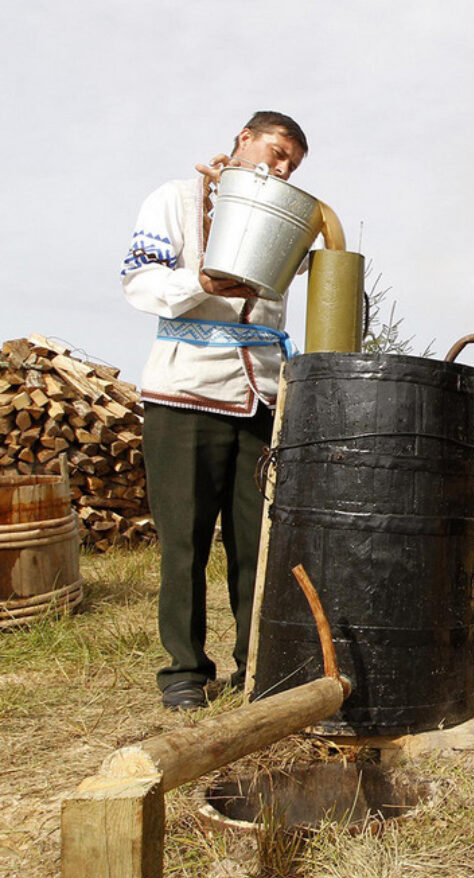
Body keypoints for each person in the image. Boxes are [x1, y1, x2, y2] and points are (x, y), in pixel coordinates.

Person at [121, 112, 308, 710]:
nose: (280, 168)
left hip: (261, 402)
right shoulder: (175, 199)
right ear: (242, 140)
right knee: (186, 541)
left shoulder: (287, 222)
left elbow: (310, 269)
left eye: (292, 164)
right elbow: (139, 281)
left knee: (258, 543)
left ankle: (257, 664)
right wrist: (200, 280)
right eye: (275, 152)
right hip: (185, 395)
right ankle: (184, 670)